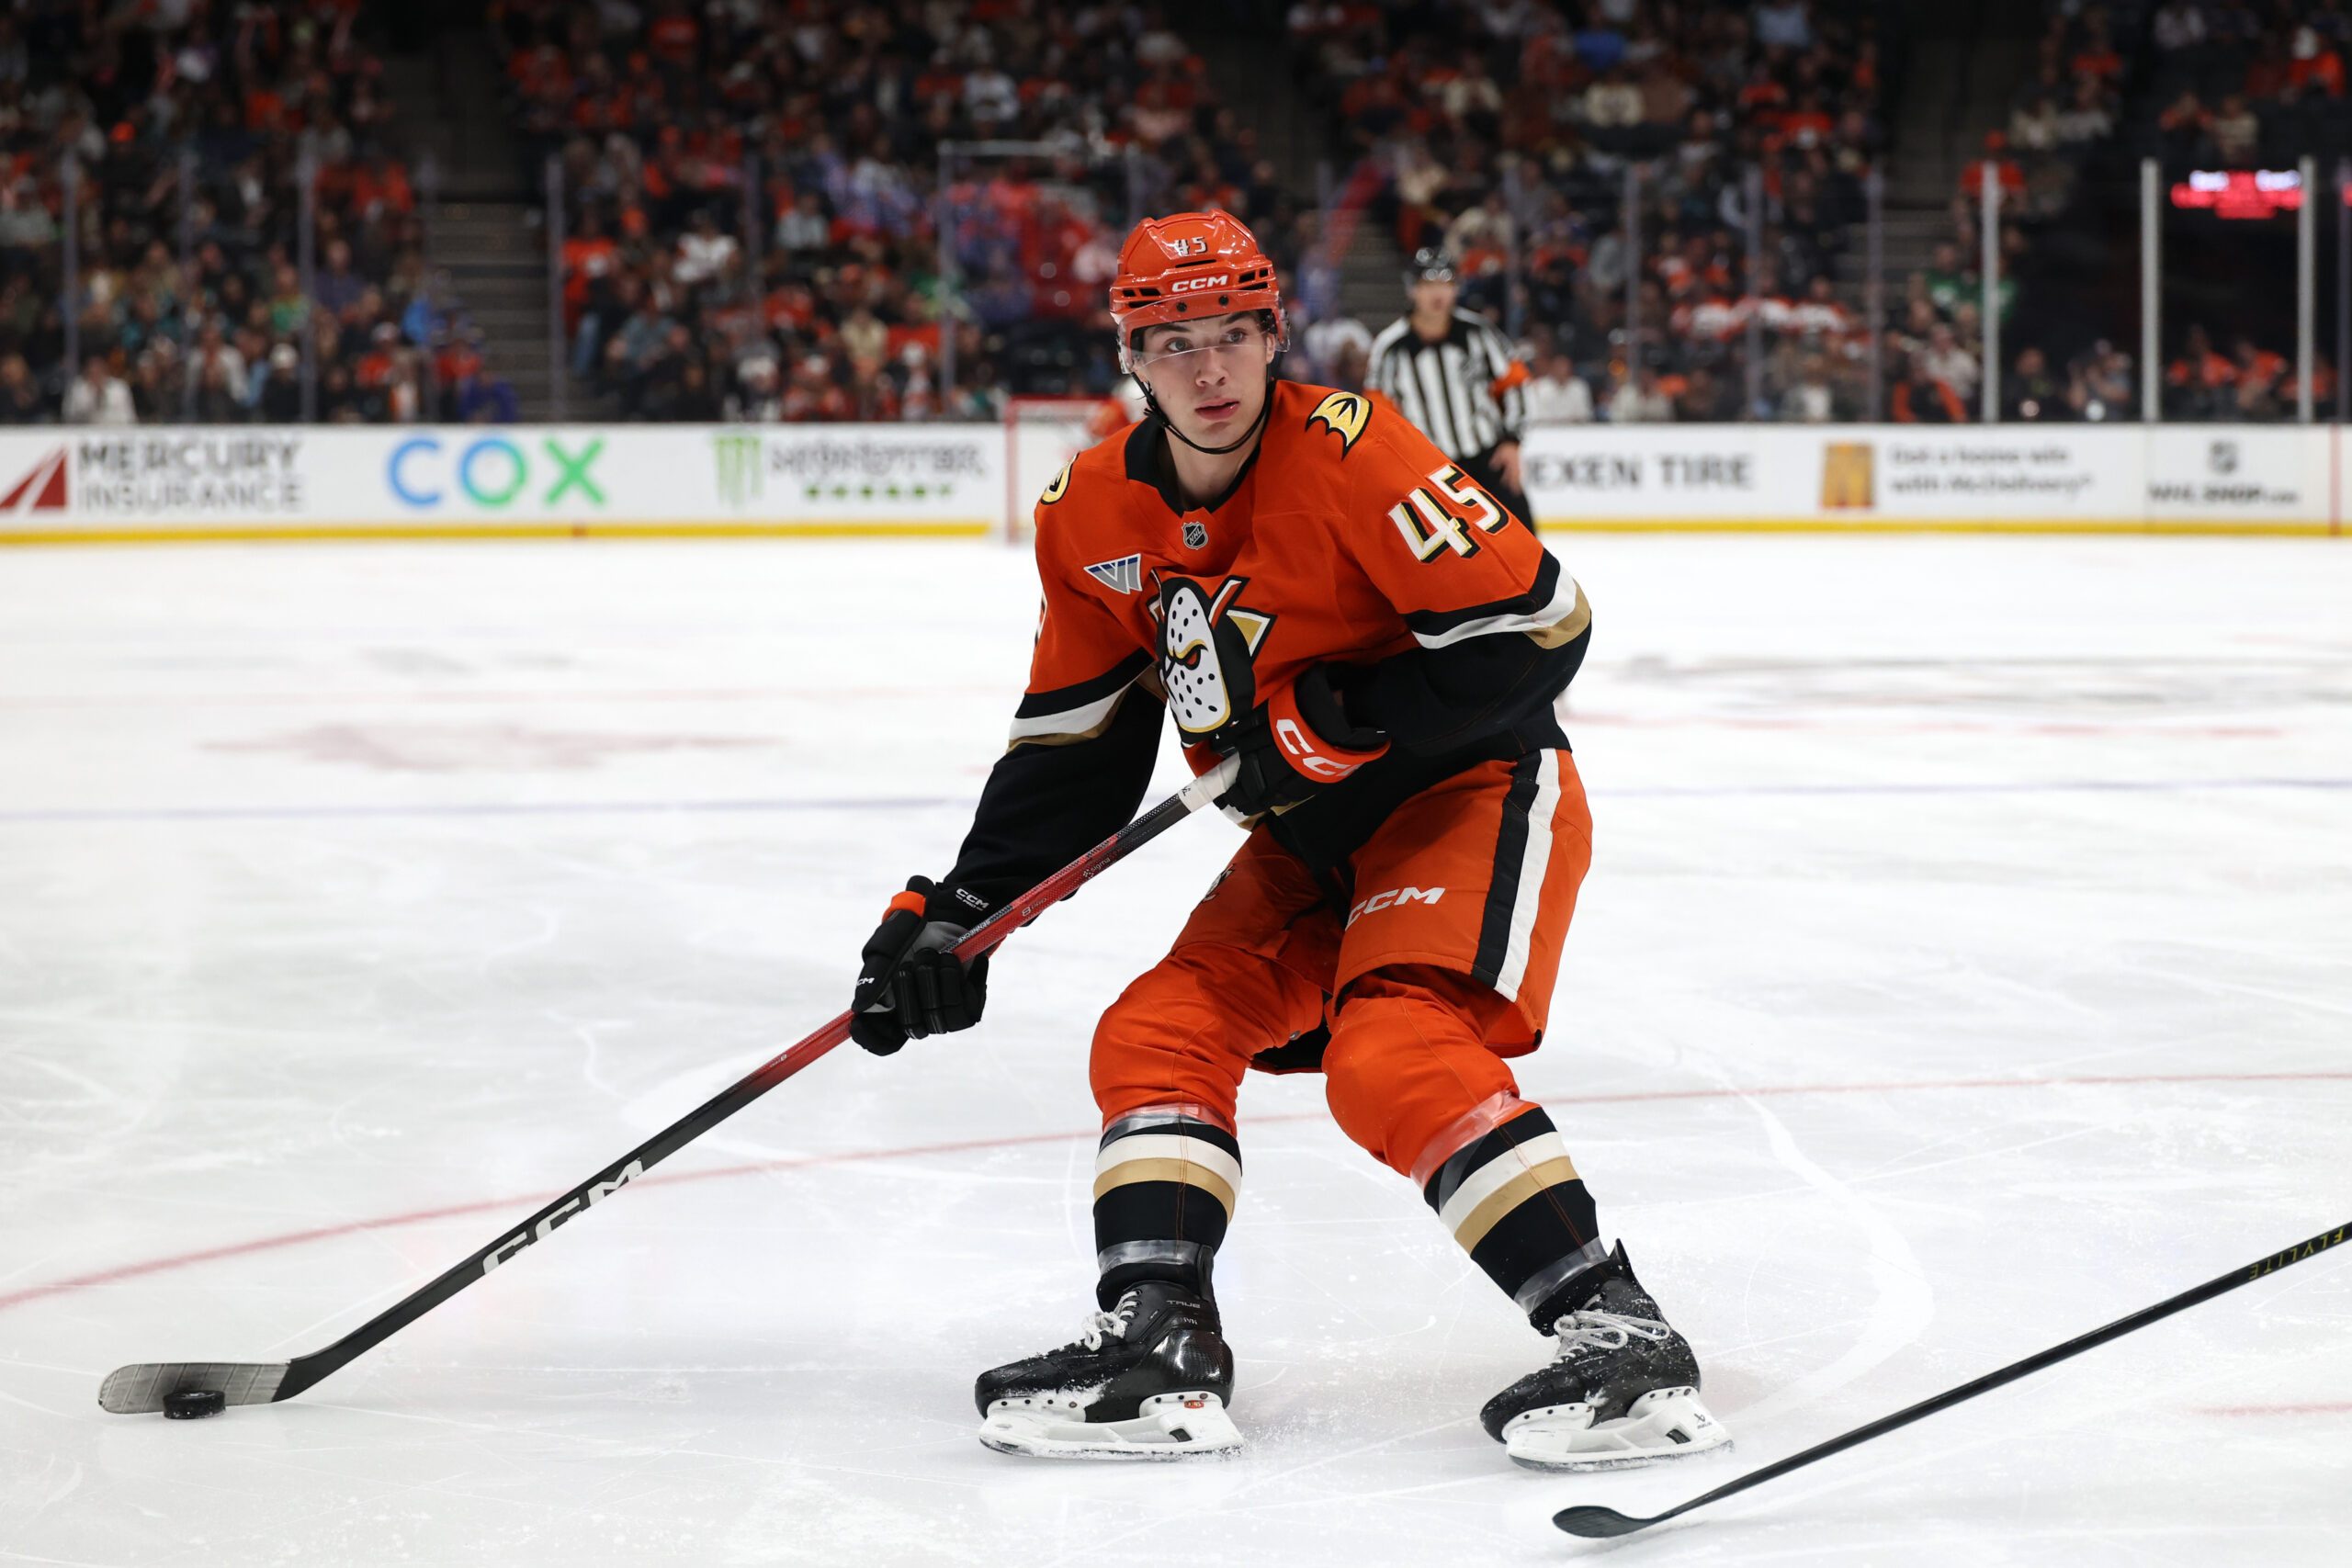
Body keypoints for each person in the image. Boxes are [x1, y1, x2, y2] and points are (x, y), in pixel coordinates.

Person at [846, 211, 1727, 1471]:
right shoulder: (1088, 509)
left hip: (1468, 790)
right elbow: (1074, 749)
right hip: (1307, 841)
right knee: (1154, 1030)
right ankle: (1161, 1344)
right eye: (1173, 343)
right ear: (1131, 359)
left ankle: (1618, 1332)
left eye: (1231, 338)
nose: (1209, 372)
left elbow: (1545, 628)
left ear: (1274, 336)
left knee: (1393, 1049)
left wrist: (1346, 712)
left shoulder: (1354, 452)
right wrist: (956, 911)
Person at [1367, 248, 1532, 525]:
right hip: (1427, 469)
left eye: (1446, 284)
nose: (1438, 294)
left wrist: (1512, 440)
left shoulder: (1479, 333)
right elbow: (1379, 414)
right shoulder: (1390, 348)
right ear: (1413, 290)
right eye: (1429, 284)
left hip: (1487, 460)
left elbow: (1515, 383)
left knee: (1525, 549)